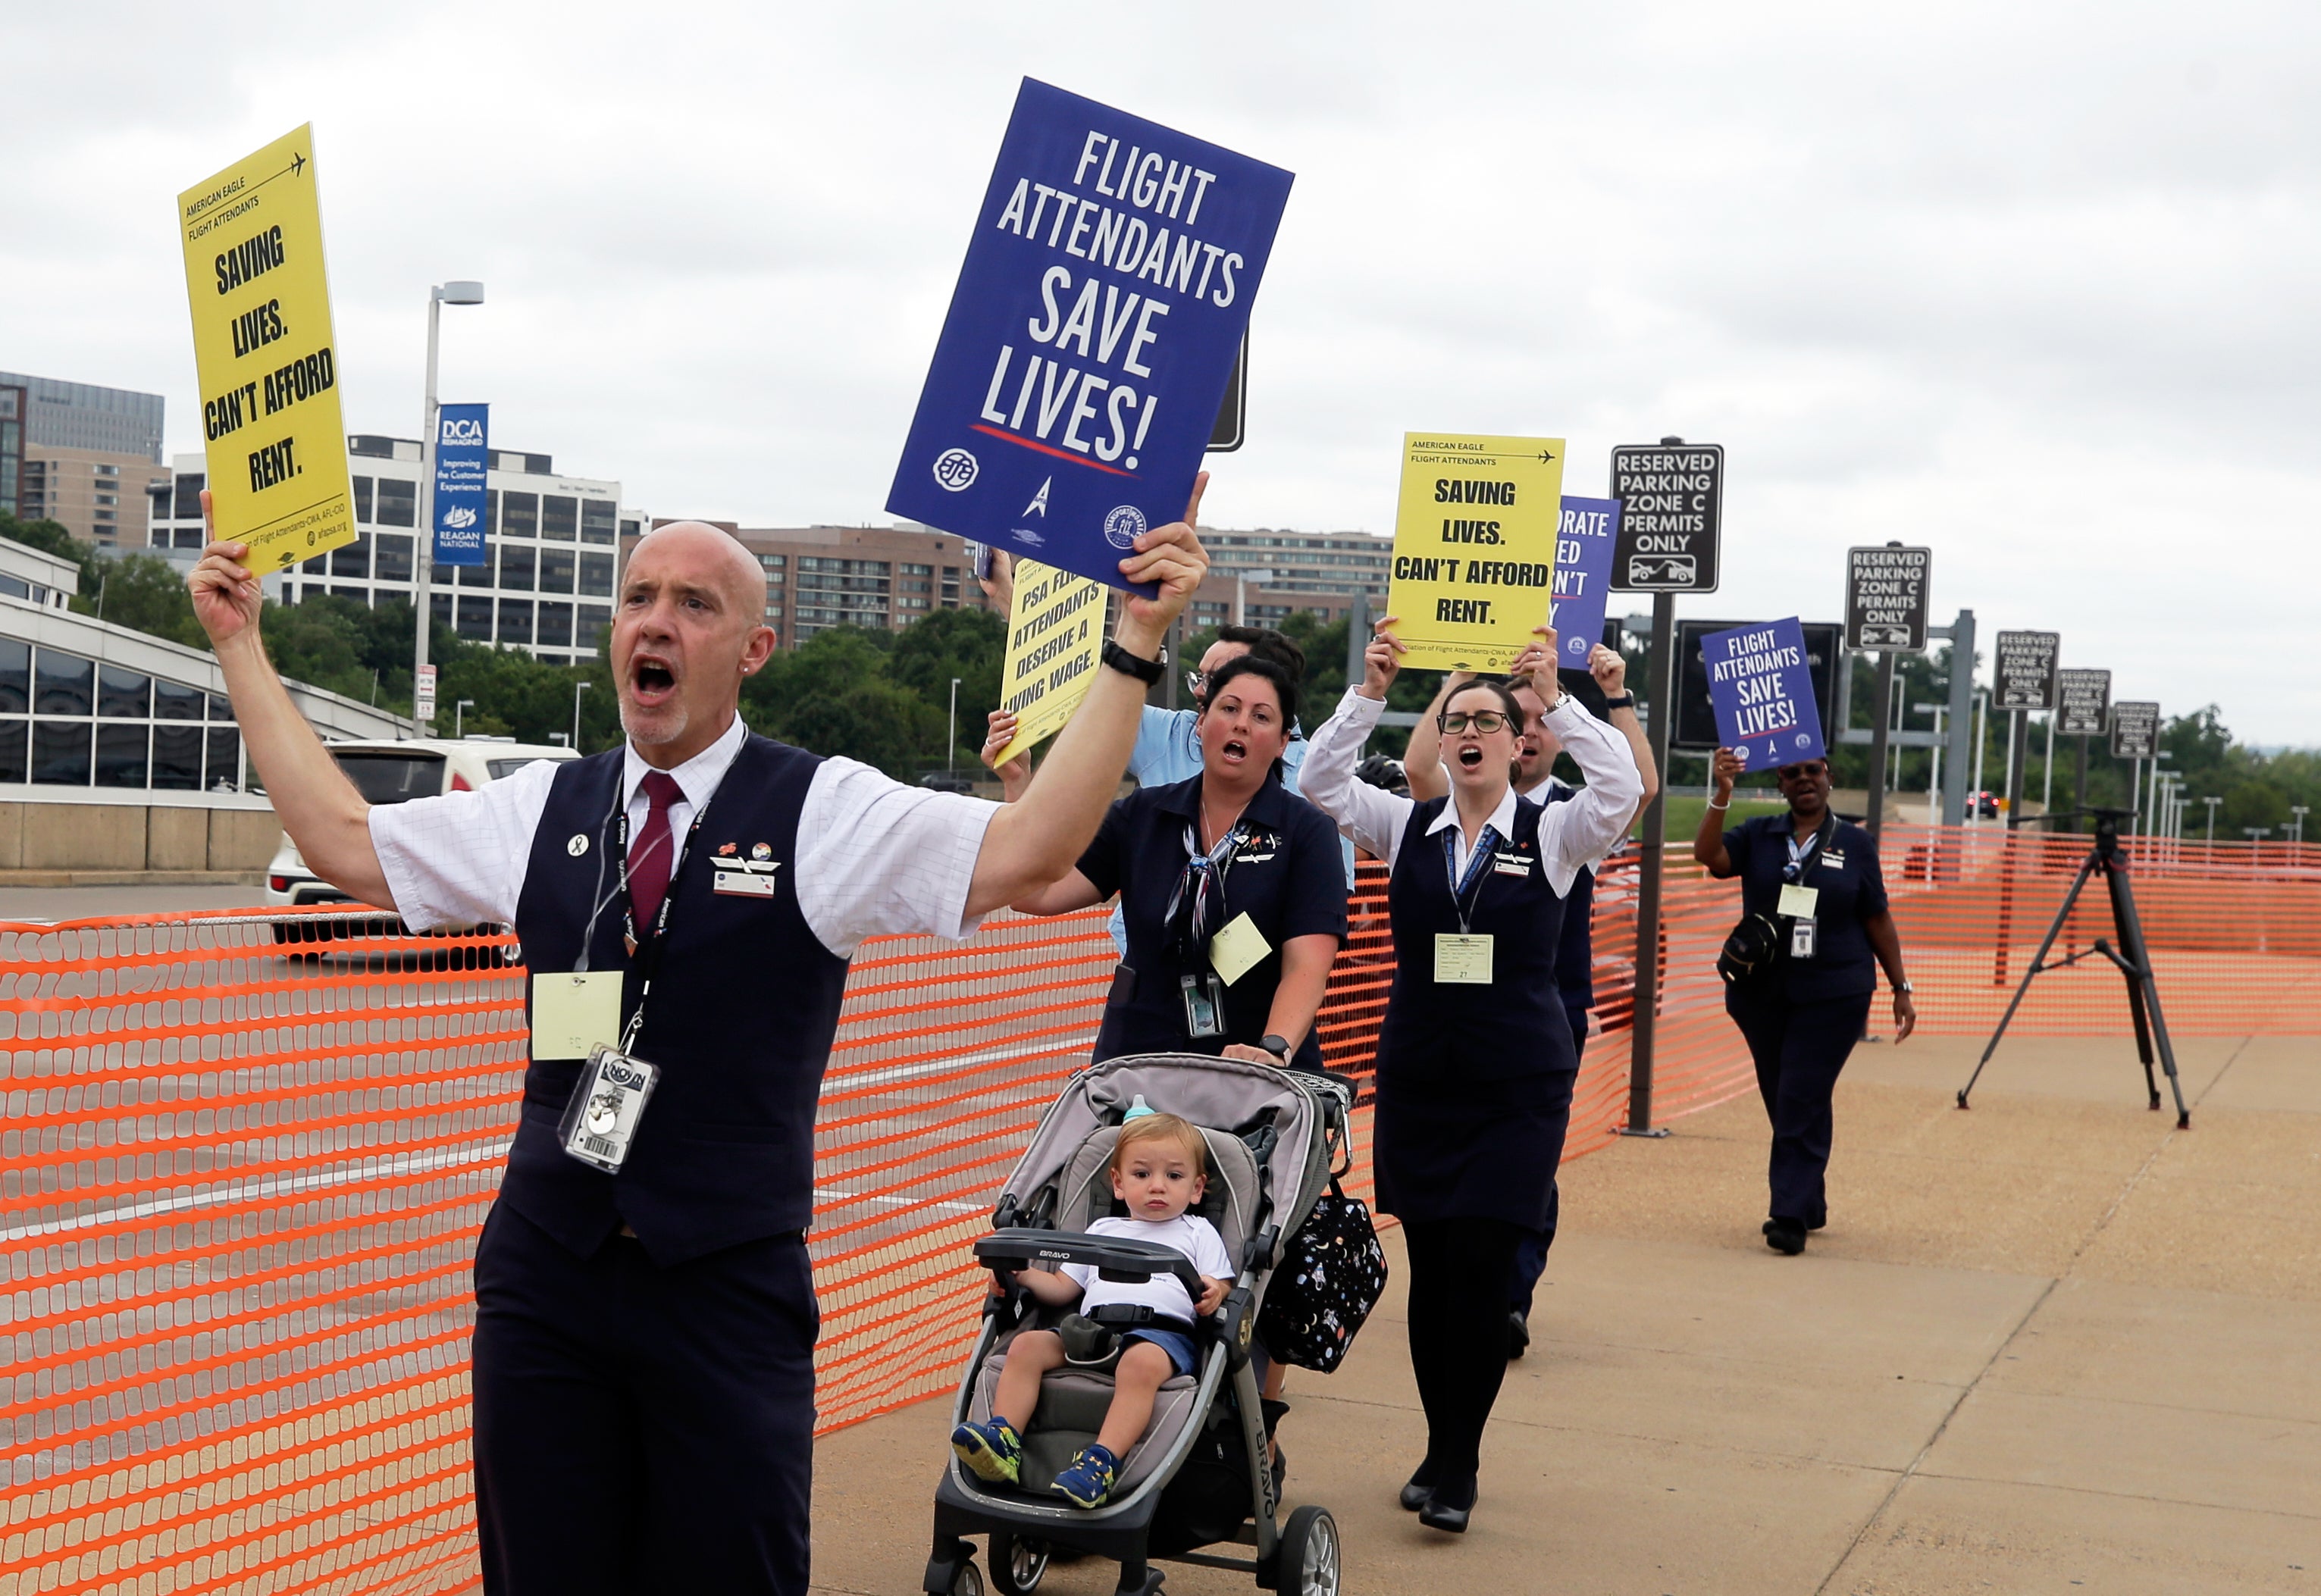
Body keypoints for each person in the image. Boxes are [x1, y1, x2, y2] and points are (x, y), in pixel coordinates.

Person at [186, 486, 1209, 1596]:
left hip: (723, 1284)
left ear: (753, 647)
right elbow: (341, 843)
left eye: (693, 603)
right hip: (547, 1275)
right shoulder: (541, 808)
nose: (656, 620)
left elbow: (1029, 847)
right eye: (637, 598)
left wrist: (1133, 644)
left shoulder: (821, 809)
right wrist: (241, 642)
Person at [1300, 618, 1642, 1534]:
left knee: (1484, 1274)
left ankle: (1458, 1462)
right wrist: (1370, 691)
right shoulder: (1402, 825)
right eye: (1458, 718)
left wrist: (1559, 695)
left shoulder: (1558, 831)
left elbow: (1625, 787)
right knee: (1432, 1265)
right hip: (1420, 1077)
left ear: (1513, 737)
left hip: (1516, 1088)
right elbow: (1318, 782)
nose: (1473, 731)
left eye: (1490, 720)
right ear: (1442, 739)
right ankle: (1437, 1441)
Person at [1401, 637, 1659, 1356]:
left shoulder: (1571, 819)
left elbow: (1637, 785)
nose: (1519, 729)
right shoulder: (1444, 809)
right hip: (1445, 1027)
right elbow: (1420, 767)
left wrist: (1603, 699)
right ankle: (1476, 1284)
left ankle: (1509, 1292)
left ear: (1529, 740)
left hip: (1545, 1009)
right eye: (1475, 722)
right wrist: (1455, 684)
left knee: (1524, 1170)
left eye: (1520, 720)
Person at [989, 653, 1345, 1074]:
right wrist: (1018, 785)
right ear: (1201, 722)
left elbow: (1307, 966)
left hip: (1250, 1072)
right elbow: (1033, 892)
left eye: (1261, 717)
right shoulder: (1142, 814)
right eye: (1228, 708)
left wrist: (1272, 1050)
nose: (1241, 724)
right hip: (1139, 1062)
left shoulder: (1307, 832)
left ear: (1284, 741)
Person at [1694, 749, 1916, 1256]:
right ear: (1781, 783)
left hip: (1835, 992)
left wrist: (1901, 988)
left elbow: (1877, 918)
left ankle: (1789, 1213)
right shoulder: (1759, 835)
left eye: (1813, 771)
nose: (1804, 780)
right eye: (1793, 774)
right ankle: (1810, 1198)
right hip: (1761, 991)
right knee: (1788, 1095)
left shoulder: (1855, 844)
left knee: (1800, 1092)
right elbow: (1710, 857)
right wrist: (1722, 792)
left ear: (1829, 778)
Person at [951, 1112, 1232, 1509]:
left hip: (1161, 1334)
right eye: (1141, 1175)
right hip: (1091, 1328)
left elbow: (1220, 1283)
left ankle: (1101, 1462)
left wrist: (1215, 1292)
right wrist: (1025, 1276)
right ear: (1118, 1183)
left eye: (1173, 1176)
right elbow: (1064, 1288)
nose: (1157, 1186)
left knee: (1140, 1366)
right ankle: (1004, 1439)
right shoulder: (1103, 1230)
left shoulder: (1197, 1232)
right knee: (1025, 1346)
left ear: (1197, 1188)